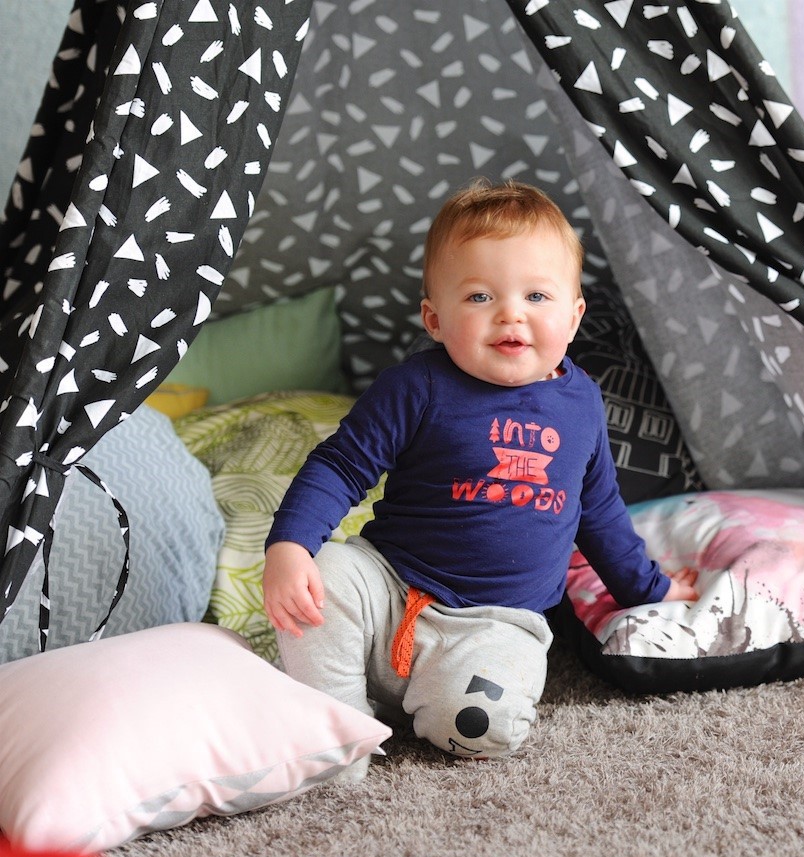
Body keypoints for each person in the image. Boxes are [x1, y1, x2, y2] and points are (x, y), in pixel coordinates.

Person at [262, 179, 698, 775]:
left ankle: (424, 700)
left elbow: (599, 512)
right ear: (435, 319)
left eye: (537, 296)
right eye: (479, 296)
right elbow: (339, 465)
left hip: (499, 625)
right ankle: (338, 726)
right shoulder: (416, 387)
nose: (511, 313)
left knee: (480, 725)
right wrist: (289, 546)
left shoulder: (581, 405)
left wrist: (650, 590)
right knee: (329, 573)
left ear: (573, 317)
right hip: (391, 593)